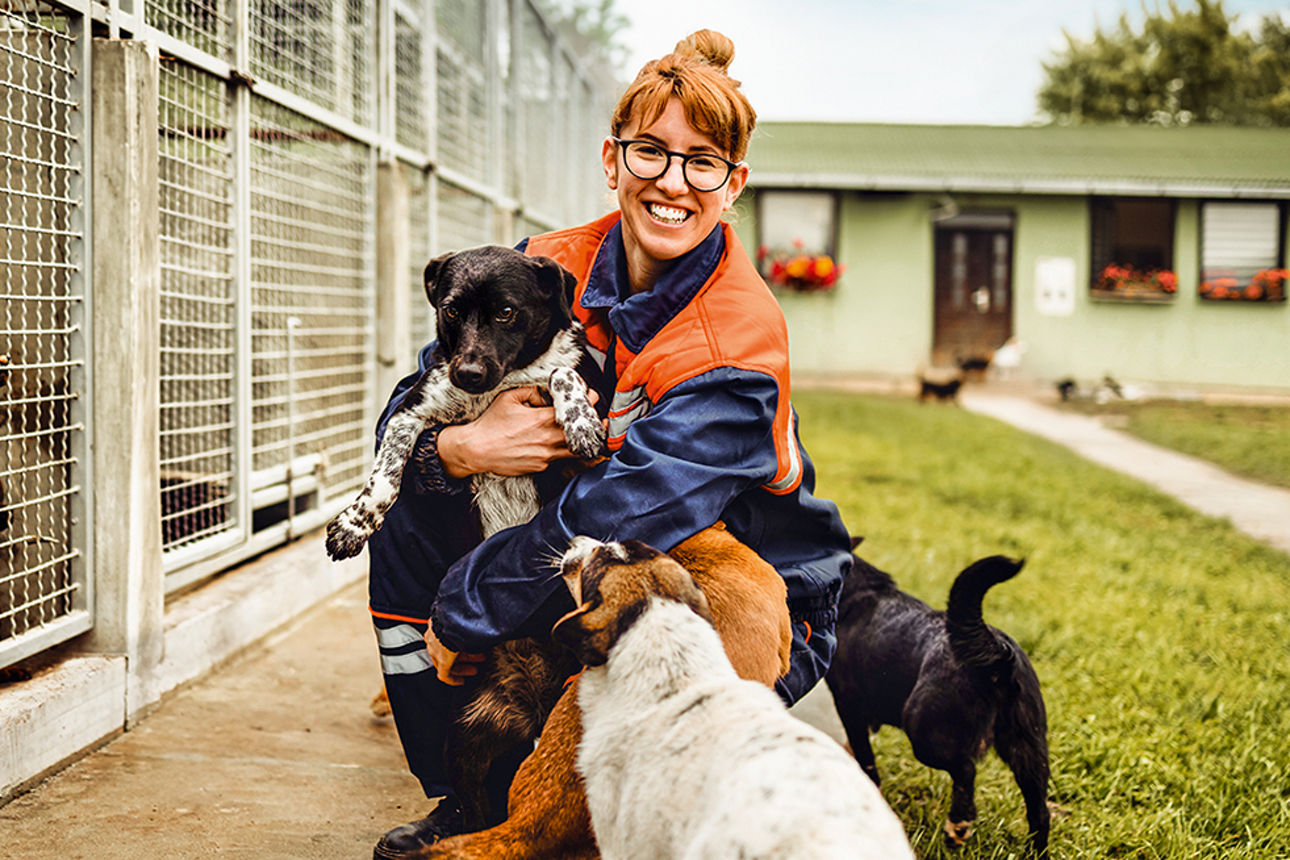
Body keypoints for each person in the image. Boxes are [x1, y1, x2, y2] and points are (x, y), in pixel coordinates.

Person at [367, 29, 854, 859]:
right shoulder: (542, 268)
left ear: (732, 184)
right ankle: (466, 799)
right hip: (576, 553)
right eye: (651, 152)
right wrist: (460, 451)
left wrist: (466, 607)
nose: (672, 181)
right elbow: (412, 405)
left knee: (716, 611)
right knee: (413, 489)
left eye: (702, 161)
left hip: (719, 566)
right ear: (612, 159)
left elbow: (629, 504)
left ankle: (586, 824)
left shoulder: (739, 332)